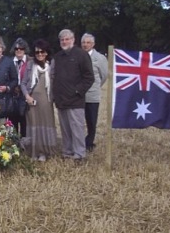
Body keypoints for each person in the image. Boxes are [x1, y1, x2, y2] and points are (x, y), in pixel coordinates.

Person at [51, 29, 95, 161]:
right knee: (65, 129)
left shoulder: (81, 55)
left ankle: (79, 154)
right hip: (61, 100)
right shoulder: (57, 57)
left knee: (77, 129)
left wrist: (77, 91)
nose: (64, 41)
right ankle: (67, 152)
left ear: (73, 40)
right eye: (62, 40)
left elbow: (89, 77)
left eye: (67, 39)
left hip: (76, 100)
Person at [20, 39, 60, 161]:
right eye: (37, 52)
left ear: (47, 52)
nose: (40, 54)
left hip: (46, 101)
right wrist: (27, 96)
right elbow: (23, 83)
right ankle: (35, 151)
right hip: (32, 101)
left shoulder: (52, 65)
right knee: (34, 125)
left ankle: (45, 151)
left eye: (42, 52)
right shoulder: (30, 65)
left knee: (46, 124)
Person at [81, 33, 108, 152]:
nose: (86, 45)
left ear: (93, 44)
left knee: (91, 121)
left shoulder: (100, 58)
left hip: (92, 95)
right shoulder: (78, 55)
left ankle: (89, 142)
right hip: (79, 96)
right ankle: (79, 141)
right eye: (84, 42)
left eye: (88, 42)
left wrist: (96, 86)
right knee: (78, 121)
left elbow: (104, 75)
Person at [9, 38, 29, 137]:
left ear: (24, 49)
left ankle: (25, 141)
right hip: (13, 95)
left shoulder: (30, 61)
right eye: (16, 49)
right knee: (13, 120)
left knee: (24, 120)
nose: (19, 51)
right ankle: (15, 142)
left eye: (21, 48)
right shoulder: (10, 62)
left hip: (26, 94)